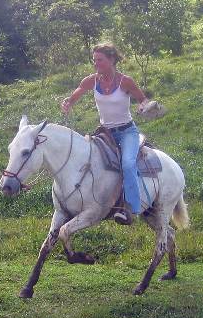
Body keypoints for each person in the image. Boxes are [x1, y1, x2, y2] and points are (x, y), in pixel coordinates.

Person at [60, 42, 152, 224]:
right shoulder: (91, 81)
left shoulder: (125, 81)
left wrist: (144, 106)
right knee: (87, 160)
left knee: (127, 164)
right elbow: (76, 94)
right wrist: (67, 103)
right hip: (105, 133)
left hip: (127, 132)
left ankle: (130, 208)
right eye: (94, 60)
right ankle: (90, 202)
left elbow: (143, 99)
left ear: (111, 60)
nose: (96, 64)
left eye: (100, 60)